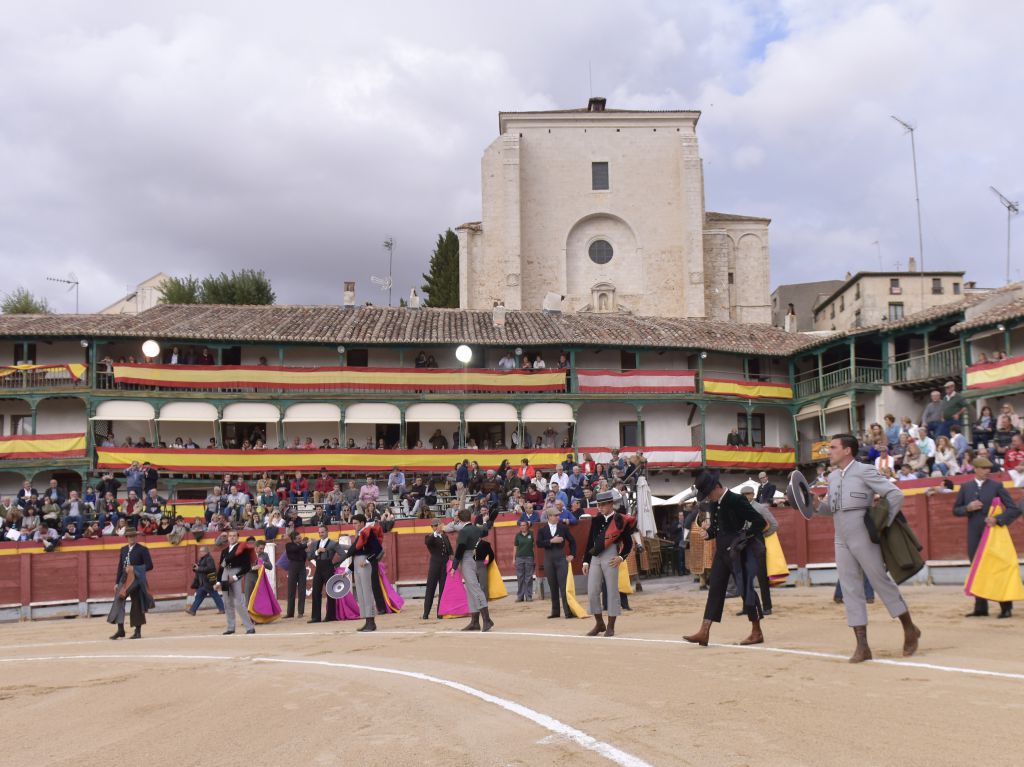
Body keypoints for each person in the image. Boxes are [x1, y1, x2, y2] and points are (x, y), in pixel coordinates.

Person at [811, 434, 920, 662]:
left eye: (833, 447)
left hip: (863, 535)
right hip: (840, 536)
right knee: (850, 587)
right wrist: (814, 504)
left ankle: (909, 628)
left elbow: (895, 494)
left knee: (880, 580)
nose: (828, 451)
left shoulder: (864, 470)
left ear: (847, 450)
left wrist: (883, 524)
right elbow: (830, 509)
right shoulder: (831, 477)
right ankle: (862, 646)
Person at [682, 471, 766, 648]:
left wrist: (743, 537)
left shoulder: (736, 500)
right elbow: (717, 529)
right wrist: (708, 533)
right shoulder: (714, 503)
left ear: (717, 487)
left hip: (737, 551)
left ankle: (756, 631)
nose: (708, 498)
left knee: (746, 590)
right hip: (721, 552)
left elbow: (759, 522)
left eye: (708, 494)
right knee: (715, 590)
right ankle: (704, 632)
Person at [953, 456, 1022, 618]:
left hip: (993, 535)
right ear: (975, 469)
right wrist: (967, 508)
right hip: (975, 534)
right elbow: (956, 510)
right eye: (984, 469)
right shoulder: (965, 487)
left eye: (989, 469)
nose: (987, 471)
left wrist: (997, 520)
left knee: (997, 568)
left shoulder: (997, 486)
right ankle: (981, 608)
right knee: (977, 569)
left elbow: (1013, 509)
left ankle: (1006, 607)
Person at [581, 491, 633, 638]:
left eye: (603, 505)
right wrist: (586, 561)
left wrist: (621, 557)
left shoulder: (619, 520)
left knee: (611, 592)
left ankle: (611, 626)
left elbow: (629, 544)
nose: (600, 507)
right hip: (596, 558)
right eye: (598, 505)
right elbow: (590, 543)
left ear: (610, 504)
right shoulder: (596, 520)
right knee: (592, 591)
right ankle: (599, 623)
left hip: (611, 557)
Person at [451, 508, 494, 632]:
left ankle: (487, 619)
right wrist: (489, 521)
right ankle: (475, 622)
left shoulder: (464, 531)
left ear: (459, 518)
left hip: (467, 560)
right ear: (470, 517)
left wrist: (454, 566)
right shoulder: (476, 528)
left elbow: (460, 549)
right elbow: (486, 530)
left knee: (474, 588)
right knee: (470, 590)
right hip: (475, 559)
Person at [107, 528, 154, 640]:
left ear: (136, 537)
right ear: (126, 537)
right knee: (118, 600)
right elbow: (120, 567)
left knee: (137, 603)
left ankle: (137, 631)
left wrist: (134, 569)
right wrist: (117, 582)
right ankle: (120, 630)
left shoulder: (142, 549)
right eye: (129, 536)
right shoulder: (123, 549)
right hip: (124, 578)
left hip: (137, 579)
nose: (132, 538)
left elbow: (150, 565)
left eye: (133, 536)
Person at [740, 486, 776, 616]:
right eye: (743, 494)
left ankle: (767, 606)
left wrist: (763, 536)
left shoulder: (760, 508)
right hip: (744, 545)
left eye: (748, 494)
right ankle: (747, 607)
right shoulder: (740, 508)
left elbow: (774, 524)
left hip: (757, 544)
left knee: (761, 577)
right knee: (744, 577)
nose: (745, 496)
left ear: (753, 494)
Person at [537, 508, 576, 618]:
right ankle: (555, 612)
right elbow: (538, 543)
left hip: (561, 558)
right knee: (552, 585)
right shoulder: (542, 530)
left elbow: (572, 541)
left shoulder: (563, 528)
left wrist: (572, 554)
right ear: (549, 517)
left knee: (564, 586)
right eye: (556, 515)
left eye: (558, 515)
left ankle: (568, 612)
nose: (558, 517)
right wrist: (550, 541)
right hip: (548, 559)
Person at [216, 529, 256, 635]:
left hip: (236, 574)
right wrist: (218, 581)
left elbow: (247, 567)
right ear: (228, 538)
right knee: (227, 602)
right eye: (230, 536)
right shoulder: (224, 551)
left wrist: (235, 577)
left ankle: (249, 627)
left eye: (234, 536)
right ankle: (231, 627)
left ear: (238, 537)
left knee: (239, 602)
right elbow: (221, 567)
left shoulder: (243, 549)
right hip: (225, 574)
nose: (232, 538)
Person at [349, 513, 384, 631]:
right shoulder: (360, 534)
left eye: (356, 523)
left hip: (365, 564)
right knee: (360, 592)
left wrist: (368, 560)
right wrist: (349, 569)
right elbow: (355, 553)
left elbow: (378, 550)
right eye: (352, 523)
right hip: (357, 563)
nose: (353, 526)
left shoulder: (369, 533)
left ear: (362, 523)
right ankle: (367, 620)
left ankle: (371, 622)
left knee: (367, 592)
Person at [307, 525, 342, 623]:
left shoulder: (333, 543)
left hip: (328, 568)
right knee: (316, 592)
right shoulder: (315, 544)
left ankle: (330, 616)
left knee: (330, 592)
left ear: (327, 532)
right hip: (319, 568)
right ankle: (316, 617)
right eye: (319, 532)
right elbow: (309, 557)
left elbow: (343, 554)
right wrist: (317, 552)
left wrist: (335, 565)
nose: (321, 534)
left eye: (322, 532)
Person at [423, 518, 452, 618]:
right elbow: (428, 543)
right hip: (434, 566)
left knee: (443, 590)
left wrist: (452, 563)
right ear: (432, 527)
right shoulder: (429, 537)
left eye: (437, 525)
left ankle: (440, 613)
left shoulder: (445, 536)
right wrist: (435, 532)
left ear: (441, 525)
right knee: (430, 589)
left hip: (444, 566)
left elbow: (450, 551)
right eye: (434, 526)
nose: (436, 527)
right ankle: (426, 613)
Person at [188, 545, 224, 615]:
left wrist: (199, 569)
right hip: (204, 582)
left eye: (201, 551)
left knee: (214, 595)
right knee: (200, 596)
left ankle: (222, 609)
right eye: (200, 551)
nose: (200, 552)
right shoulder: (203, 559)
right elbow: (201, 569)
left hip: (208, 581)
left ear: (206, 552)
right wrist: (196, 568)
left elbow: (210, 568)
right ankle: (192, 610)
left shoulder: (209, 558)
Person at [283, 531, 308, 619]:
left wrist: (305, 550)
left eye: (300, 538)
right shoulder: (289, 545)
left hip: (301, 567)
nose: (300, 539)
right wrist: (305, 545)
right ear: (293, 539)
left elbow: (305, 557)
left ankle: (300, 612)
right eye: (298, 538)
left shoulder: (301, 546)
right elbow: (295, 549)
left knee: (302, 590)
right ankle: (290, 613)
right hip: (293, 566)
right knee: (291, 590)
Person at [512, 520, 535, 602]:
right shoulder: (518, 535)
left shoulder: (532, 534)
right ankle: (520, 596)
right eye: (521, 525)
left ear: (527, 526)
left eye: (524, 525)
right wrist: (513, 558)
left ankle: (529, 596)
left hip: (529, 557)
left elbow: (534, 546)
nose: (522, 527)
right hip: (519, 558)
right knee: (520, 577)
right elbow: (515, 547)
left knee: (528, 577)